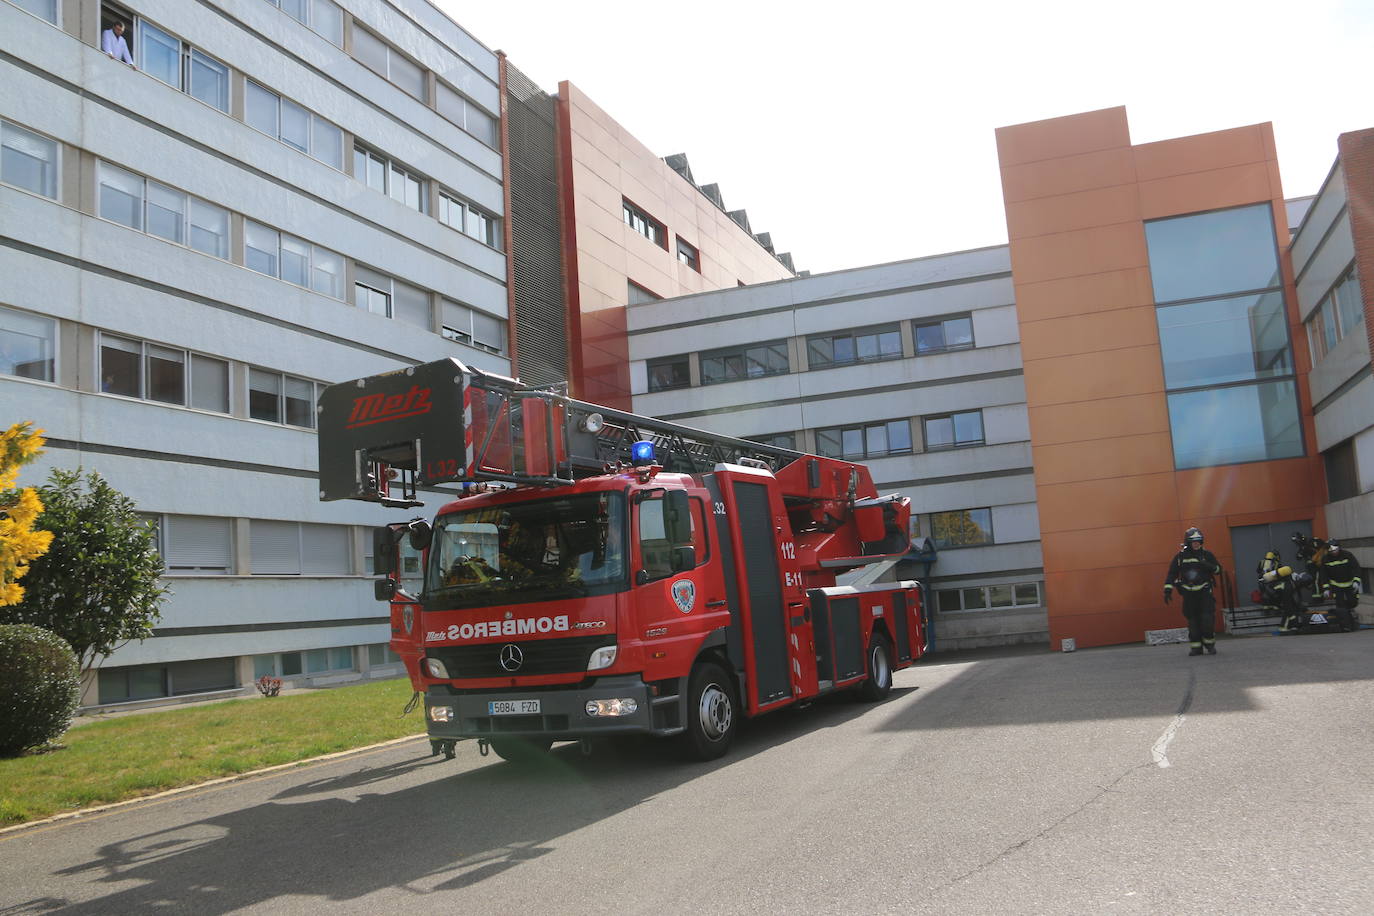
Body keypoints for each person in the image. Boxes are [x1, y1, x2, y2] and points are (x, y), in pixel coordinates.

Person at [1163, 527, 1222, 655]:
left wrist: (1207, 565)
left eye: (1198, 541)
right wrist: (1167, 590)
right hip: (1188, 594)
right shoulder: (1180, 557)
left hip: (1205, 592)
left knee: (1207, 620)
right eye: (1193, 541)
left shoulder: (1207, 555)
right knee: (1193, 622)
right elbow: (1172, 573)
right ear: (1188, 542)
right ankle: (1196, 647)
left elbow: (1218, 570)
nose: (1196, 544)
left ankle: (1209, 644)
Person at [1316, 541, 1362, 632]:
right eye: (1331, 550)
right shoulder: (1326, 559)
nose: (1334, 552)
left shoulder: (1347, 555)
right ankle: (1346, 626)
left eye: (1335, 550)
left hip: (1350, 583)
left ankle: (1350, 618)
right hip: (1336, 585)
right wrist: (1326, 588)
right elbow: (1323, 575)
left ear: (1339, 548)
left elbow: (1356, 568)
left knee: (1353, 602)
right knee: (1341, 606)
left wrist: (1356, 581)